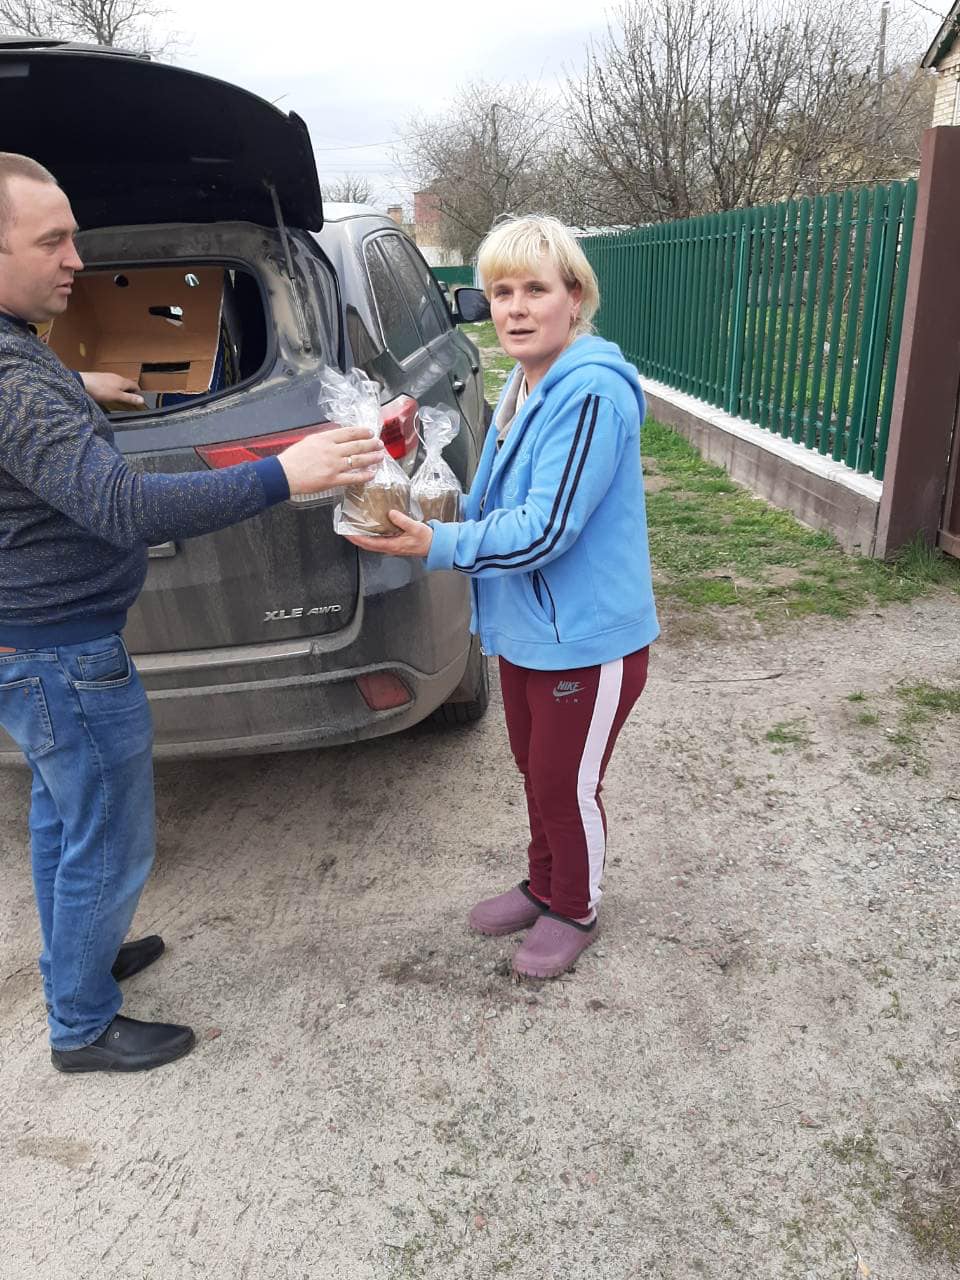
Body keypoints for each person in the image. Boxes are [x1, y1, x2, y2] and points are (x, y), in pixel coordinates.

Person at [0, 153, 385, 1073]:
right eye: (53, 242)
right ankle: (81, 1025)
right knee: (107, 840)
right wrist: (282, 474)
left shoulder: (20, 358)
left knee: (63, 821)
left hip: (36, 648)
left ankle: (81, 958)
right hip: (62, 657)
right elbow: (124, 506)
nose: (76, 260)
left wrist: (76, 388)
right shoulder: (12, 380)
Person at [345, 214, 659, 978]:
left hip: (585, 637)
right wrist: (412, 492)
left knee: (565, 782)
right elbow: (496, 501)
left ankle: (575, 907)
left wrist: (438, 543)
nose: (515, 309)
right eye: (501, 292)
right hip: (528, 627)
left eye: (535, 290)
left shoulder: (590, 394)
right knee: (533, 767)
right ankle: (544, 885)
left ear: (575, 298)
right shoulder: (526, 383)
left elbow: (547, 529)